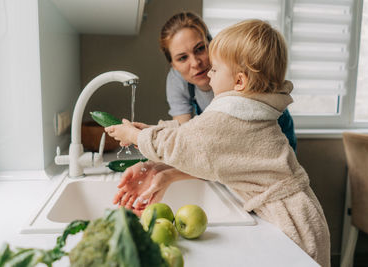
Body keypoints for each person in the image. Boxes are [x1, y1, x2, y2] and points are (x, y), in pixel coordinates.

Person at [105, 19, 330, 266]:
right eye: (182, 58)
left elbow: (187, 143)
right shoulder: (245, 105)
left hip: (290, 221)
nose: (206, 69)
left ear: (240, 82)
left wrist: (134, 137)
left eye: (215, 68)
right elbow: (193, 133)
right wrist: (151, 132)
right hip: (297, 212)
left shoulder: (233, 112)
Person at [161, 12, 296, 151]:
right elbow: (184, 135)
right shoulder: (177, 80)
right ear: (173, 65)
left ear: (211, 43)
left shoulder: (236, 65)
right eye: (182, 58)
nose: (195, 63)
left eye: (200, 48)